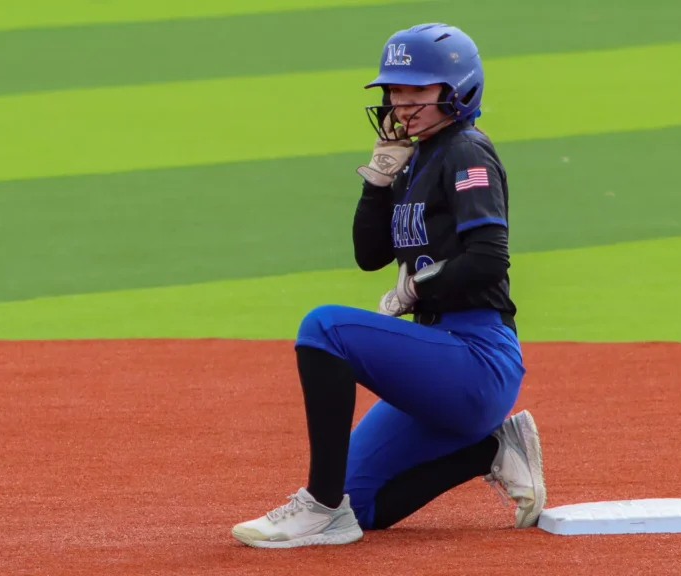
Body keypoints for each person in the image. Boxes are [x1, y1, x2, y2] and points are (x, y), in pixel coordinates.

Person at [231, 22, 546, 549]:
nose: (402, 104)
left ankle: (321, 508)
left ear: (457, 89)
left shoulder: (466, 151)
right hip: (437, 360)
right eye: (394, 91)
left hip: (476, 356)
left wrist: (417, 289)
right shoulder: (417, 155)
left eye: (417, 90)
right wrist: (377, 182)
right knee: (365, 502)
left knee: (324, 327)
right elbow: (369, 256)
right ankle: (489, 450)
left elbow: (489, 257)